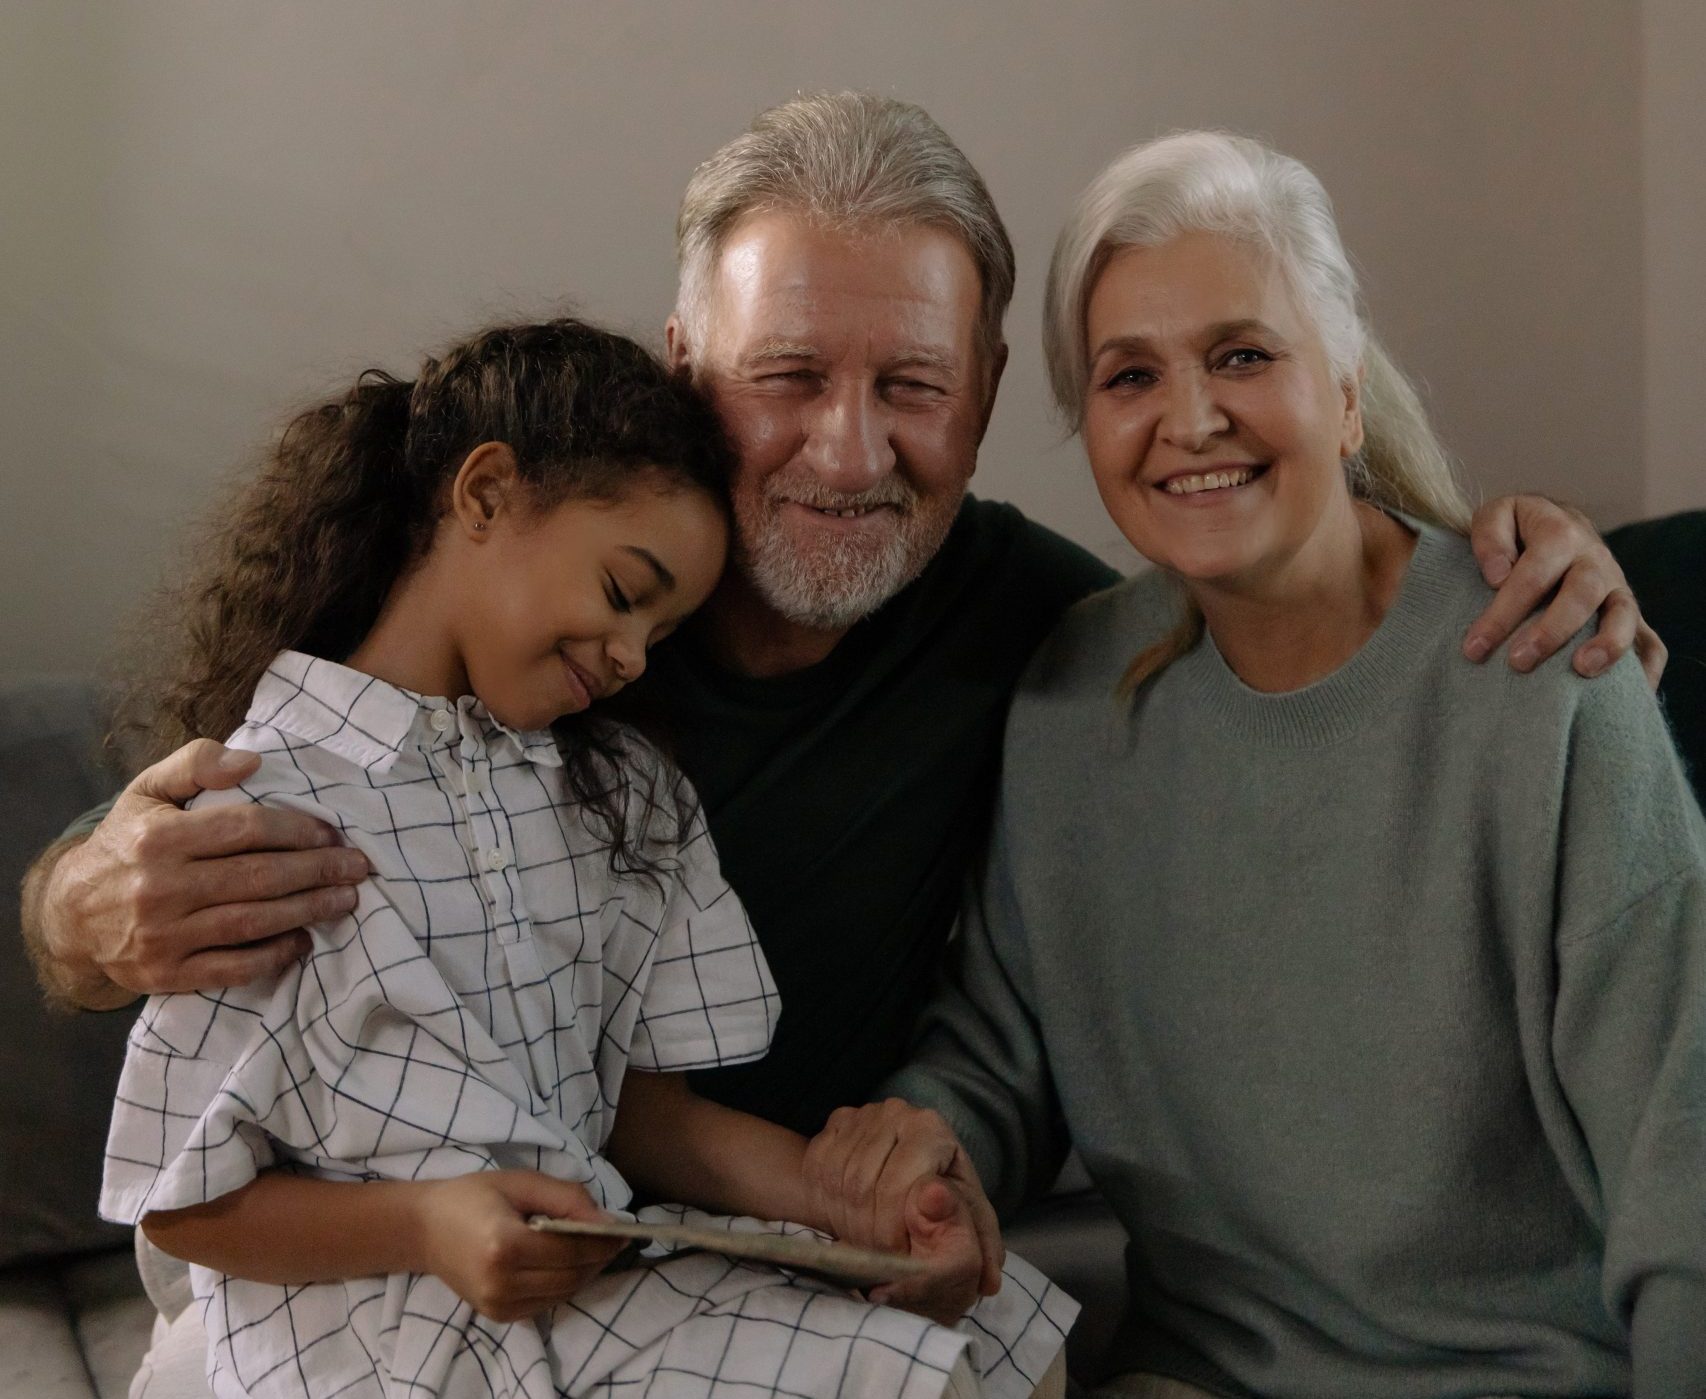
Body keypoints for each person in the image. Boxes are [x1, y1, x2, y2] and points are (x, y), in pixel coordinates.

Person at [17, 91, 1662, 1389]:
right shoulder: (528, 635)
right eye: (788, 374)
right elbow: (151, 895)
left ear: (1001, 390)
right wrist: (83, 899)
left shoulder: (1062, 635)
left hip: (776, 1251)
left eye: (915, 384)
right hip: (412, 1287)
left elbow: (1280, 595)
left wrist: (1512, 548)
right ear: (684, 368)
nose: (849, 446)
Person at [810, 133, 1706, 1397]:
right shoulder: (1071, 697)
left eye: (1241, 354)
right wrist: (923, 1146)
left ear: (1344, 392)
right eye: (1129, 376)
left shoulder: (1546, 677)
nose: (1189, 419)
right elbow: (1000, 1053)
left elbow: (1690, 1168)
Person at [99, 316, 1075, 1399]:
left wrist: (835, 1196)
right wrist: (427, 1223)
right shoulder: (257, 811)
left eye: (659, 635)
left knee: (1007, 1326)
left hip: (580, 1285)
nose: (627, 657)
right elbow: (184, 1201)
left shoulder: (613, 789)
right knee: (918, 1382)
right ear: (483, 497)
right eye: (623, 593)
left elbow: (636, 1113)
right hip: (370, 1333)